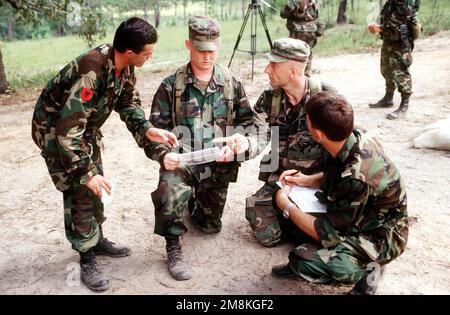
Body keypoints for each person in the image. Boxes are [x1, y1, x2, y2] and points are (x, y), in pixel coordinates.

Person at [31, 17, 178, 292]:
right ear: (129, 51)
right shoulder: (92, 72)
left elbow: (128, 103)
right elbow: (66, 132)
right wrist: (85, 173)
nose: (151, 56)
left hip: (79, 129)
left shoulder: (124, 66)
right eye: (147, 52)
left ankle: (96, 239)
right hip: (56, 132)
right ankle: (86, 257)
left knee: (97, 185)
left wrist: (147, 129)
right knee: (82, 188)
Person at [146, 16, 260, 281]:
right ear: (188, 44)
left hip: (218, 164)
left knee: (209, 227)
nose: (207, 56)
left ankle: (194, 201)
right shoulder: (170, 86)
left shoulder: (231, 83)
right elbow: (153, 133)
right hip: (183, 160)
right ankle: (173, 243)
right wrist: (164, 155)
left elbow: (250, 124)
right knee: (169, 187)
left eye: (212, 50)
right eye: (200, 50)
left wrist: (240, 143)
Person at [272, 92, 409, 295]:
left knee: (304, 260)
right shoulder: (351, 136)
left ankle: (370, 268)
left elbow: (328, 230)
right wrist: (308, 180)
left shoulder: (355, 176)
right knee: (295, 217)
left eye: (308, 121)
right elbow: (338, 170)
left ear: (317, 133)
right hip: (361, 210)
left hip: (382, 233)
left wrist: (287, 206)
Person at [245, 38, 336, 248]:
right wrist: (244, 144)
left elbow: (346, 152)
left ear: (293, 70)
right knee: (257, 213)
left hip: (320, 182)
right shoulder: (269, 99)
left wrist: (315, 179)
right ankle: (304, 226)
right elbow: (257, 134)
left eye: (273, 65)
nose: (266, 69)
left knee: (340, 219)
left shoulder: (326, 98)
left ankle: (305, 224)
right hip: (284, 181)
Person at [368, 0, 421, 120]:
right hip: (389, 36)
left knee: (400, 72)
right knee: (386, 69)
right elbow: (386, 10)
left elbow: (402, 14)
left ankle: (404, 104)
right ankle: (388, 98)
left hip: (401, 39)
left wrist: (381, 27)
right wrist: (376, 23)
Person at [280, 0, 325, 76]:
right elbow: (283, 14)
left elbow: (315, 16)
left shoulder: (314, 3)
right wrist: (299, 8)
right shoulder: (294, 2)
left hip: (310, 35)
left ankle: (306, 72)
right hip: (297, 34)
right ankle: (294, 73)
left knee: (308, 52)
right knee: (295, 54)